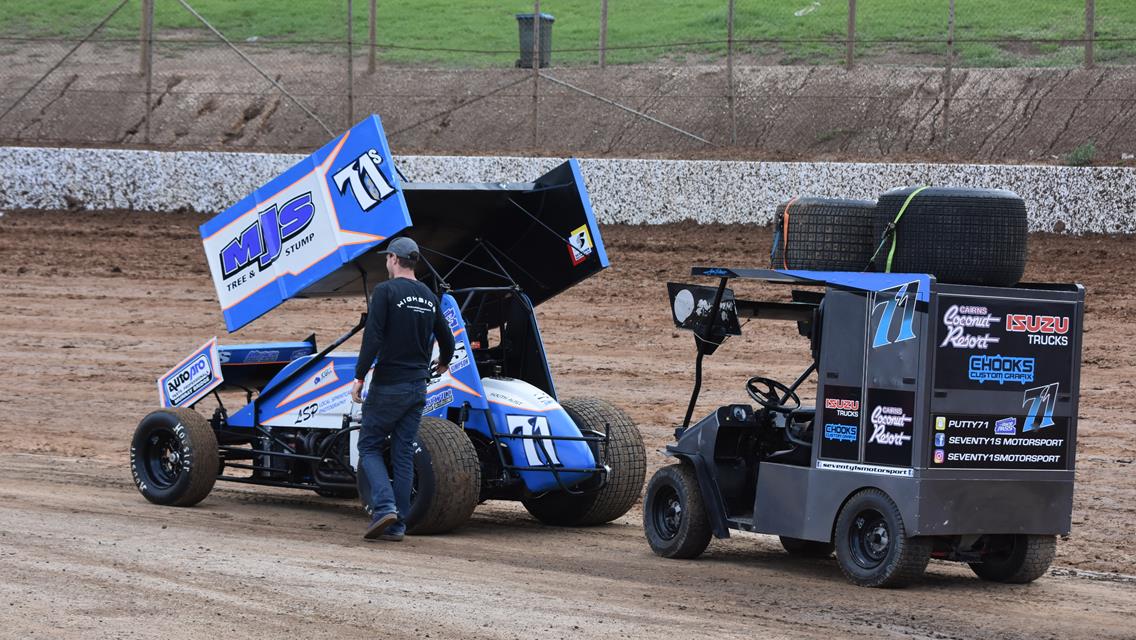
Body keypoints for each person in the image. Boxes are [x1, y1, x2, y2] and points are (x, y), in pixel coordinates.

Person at [350, 236, 455, 542]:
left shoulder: (385, 291)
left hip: (388, 385)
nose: (386, 263)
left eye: (387, 259)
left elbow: (373, 337)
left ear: (394, 259)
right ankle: (398, 525)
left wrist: (359, 377)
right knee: (403, 453)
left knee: (368, 447)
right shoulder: (427, 294)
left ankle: (384, 508)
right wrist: (444, 362)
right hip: (417, 387)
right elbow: (446, 338)